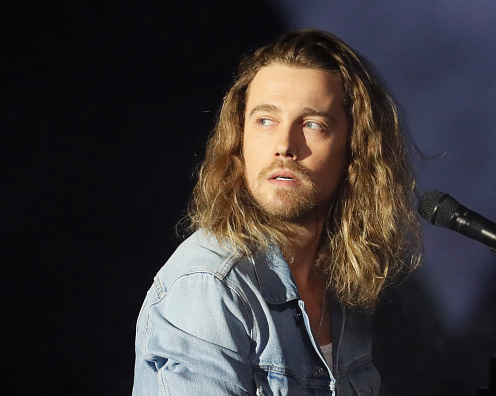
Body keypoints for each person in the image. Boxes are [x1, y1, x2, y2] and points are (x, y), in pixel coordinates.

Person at [132, 29, 422, 395]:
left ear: (354, 151)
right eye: (265, 120)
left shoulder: (340, 282)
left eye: (312, 124)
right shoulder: (209, 286)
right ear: (239, 138)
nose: (284, 145)